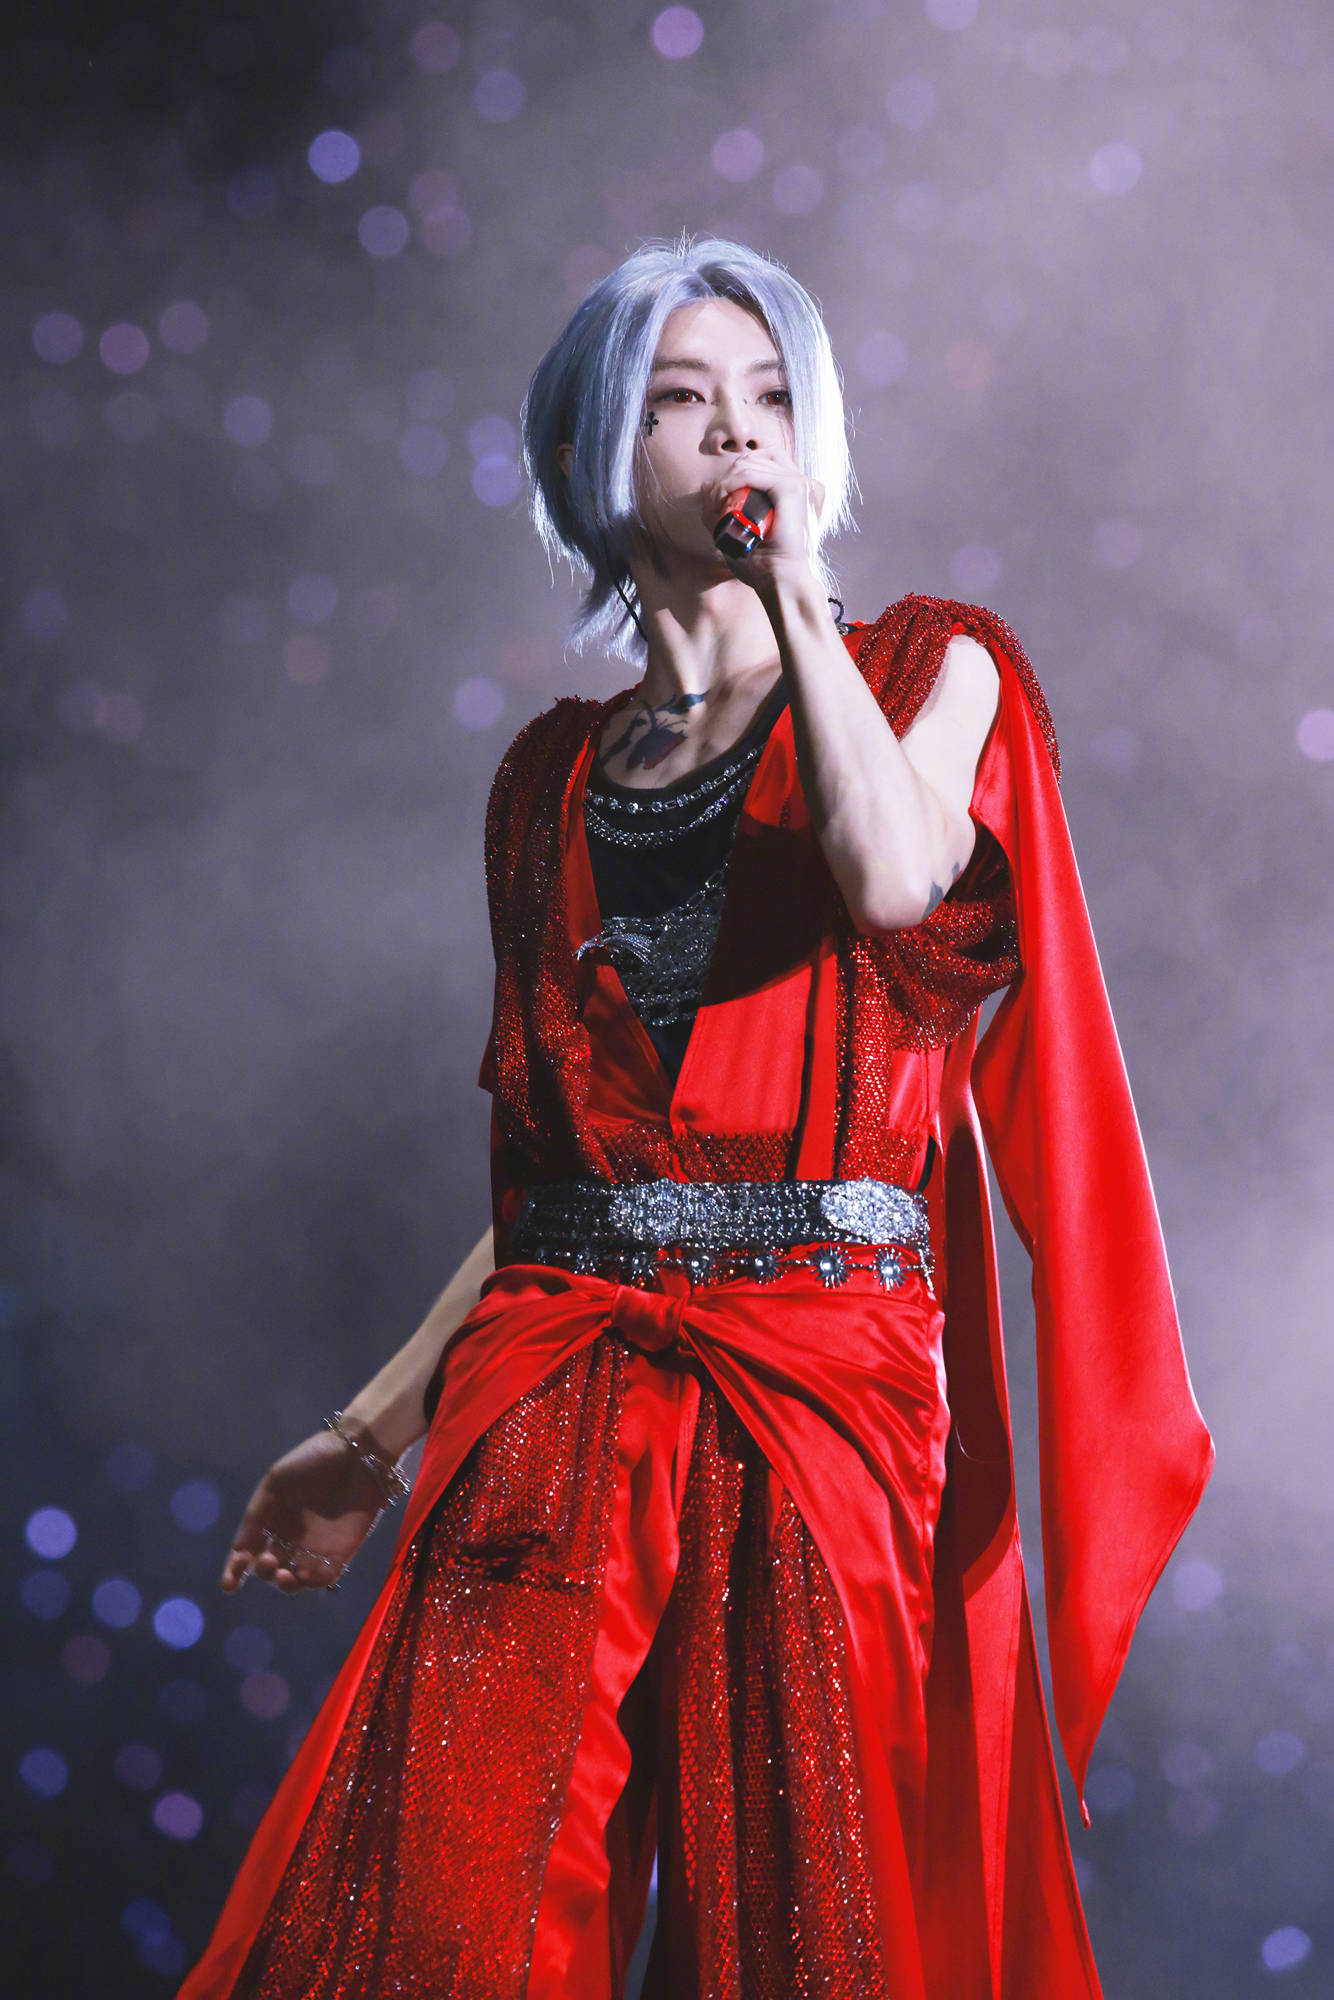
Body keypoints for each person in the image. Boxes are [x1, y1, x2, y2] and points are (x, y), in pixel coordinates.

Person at [179, 236, 1213, 2000]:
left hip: (819, 1389)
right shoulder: (545, 781)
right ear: (589, 451)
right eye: (680, 398)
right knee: (438, 1902)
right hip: (558, 1375)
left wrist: (798, 597)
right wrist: (368, 1433)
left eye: (771, 396)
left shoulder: (935, 668)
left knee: (801, 1926)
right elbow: (564, 1176)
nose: (737, 432)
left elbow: (892, 879)